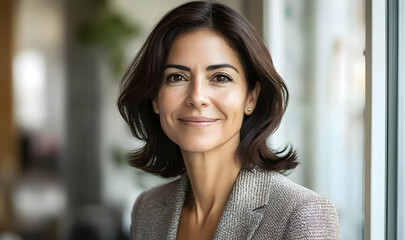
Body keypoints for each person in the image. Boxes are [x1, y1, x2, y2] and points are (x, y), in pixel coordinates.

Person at [117, 1, 340, 239]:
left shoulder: (300, 215)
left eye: (220, 77)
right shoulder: (147, 208)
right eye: (177, 77)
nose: (197, 97)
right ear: (155, 98)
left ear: (251, 97)